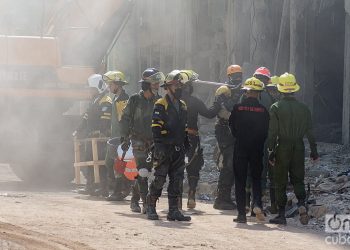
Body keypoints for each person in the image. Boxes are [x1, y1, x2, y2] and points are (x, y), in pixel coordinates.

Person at [267, 72, 319, 225]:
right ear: (295, 89)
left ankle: (281, 215)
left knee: (280, 181)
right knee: (298, 179)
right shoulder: (304, 108)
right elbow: (310, 131)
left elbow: (272, 133)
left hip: (282, 146)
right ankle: (302, 204)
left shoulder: (276, 107)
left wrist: (271, 151)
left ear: (281, 90)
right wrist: (314, 152)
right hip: (299, 146)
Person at [147, 70, 191, 221]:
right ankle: (151, 207)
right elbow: (156, 126)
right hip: (164, 147)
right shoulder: (161, 104)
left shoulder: (183, 105)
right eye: (176, 85)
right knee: (159, 178)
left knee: (177, 180)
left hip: (178, 149)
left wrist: (186, 143)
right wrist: (158, 145)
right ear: (168, 87)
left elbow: (184, 126)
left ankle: (173, 211)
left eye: (180, 85)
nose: (179, 87)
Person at [120, 68, 164, 213]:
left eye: (158, 83)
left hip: (153, 142)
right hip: (137, 140)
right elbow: (125, 119)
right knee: (143, 171)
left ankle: (134, 198)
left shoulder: (159, 101)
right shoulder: (134, 99)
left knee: (147, 171)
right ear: (146, 84)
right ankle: (146, 204)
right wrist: (124, 137)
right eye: (155, 83)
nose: (158, 86)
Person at [229, 77, 269, 223]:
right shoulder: (263, 111)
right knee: (256, 178)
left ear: (246, 92)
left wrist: (240, 137)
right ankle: (257, 203)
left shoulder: (237, 108)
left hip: (241, 147)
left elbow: (232, 128)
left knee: (240, 180)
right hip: (257, 149)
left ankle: (241, 215)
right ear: (259, 93)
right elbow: (265, 131)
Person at [179, 70, 220, 209]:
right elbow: (210, 114)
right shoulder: (194, 101)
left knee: (175, 167)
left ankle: (176, 199)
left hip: (174, 138)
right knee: (193, 167)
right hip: (191, 138)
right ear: (189, 87)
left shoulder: (170, 101)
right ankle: (191, 194)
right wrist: (218, 101)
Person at [73, 74, 112, 196]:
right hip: (91, 138)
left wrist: (100, 132)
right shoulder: (94, 101)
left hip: (100, 139)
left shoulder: (106, 101)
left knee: (101, 163)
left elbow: (105, 120)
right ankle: (90, 186)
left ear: (98, 87)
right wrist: (78, 130)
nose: (89, 91)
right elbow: (86, 117)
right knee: (89, 161)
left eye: (91, 88)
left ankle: (103, 188)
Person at [213, 64, 243, 210]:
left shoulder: (239, 91)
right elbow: (227, 108)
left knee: (234, 164)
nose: (238, 78)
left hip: (235, 129)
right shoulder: (223, 90)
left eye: (239, 75)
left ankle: (226, 197)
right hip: (224, 130)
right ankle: (221, 198)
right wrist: (236, 95)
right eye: (235, 76)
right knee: (228, 164)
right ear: (229, 77)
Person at [102, 71, 130, 201]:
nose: (108, 87)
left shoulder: (123, 100)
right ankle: (121, 188)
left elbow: (124, 120)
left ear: (117, 84)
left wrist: (124, 137)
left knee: (118, 165)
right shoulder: (116, 98)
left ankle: (119, 191)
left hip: (120, 137)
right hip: (114, 137)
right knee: (110, 163)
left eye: (110, 84)